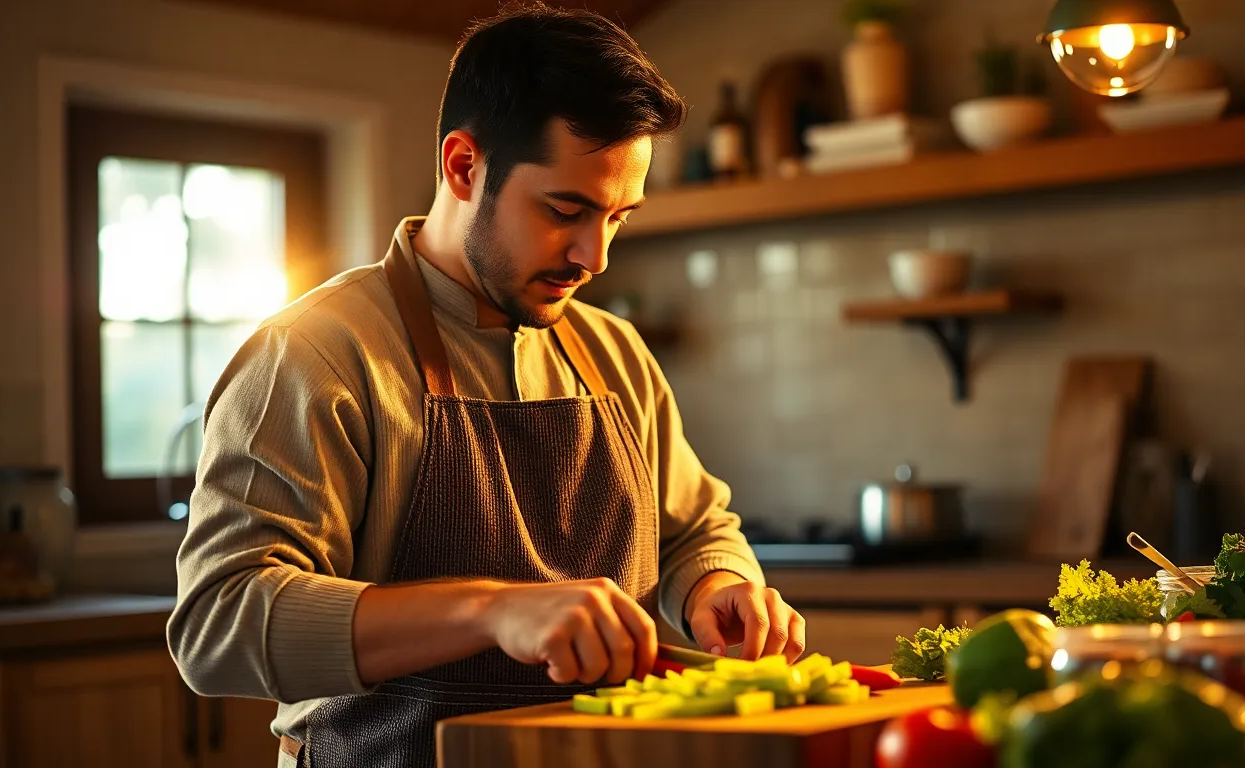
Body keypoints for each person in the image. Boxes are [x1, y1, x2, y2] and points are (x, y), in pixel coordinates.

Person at [166, 3, 806, 767]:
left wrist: (715, 586)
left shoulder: (614, 354)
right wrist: (490, 611)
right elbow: (217, 624)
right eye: (565, 210)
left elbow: (696, 530)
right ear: (463, 166)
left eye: (617, 217)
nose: (593, 255)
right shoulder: (313, 356)